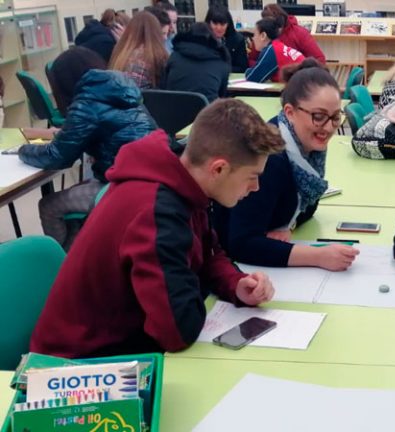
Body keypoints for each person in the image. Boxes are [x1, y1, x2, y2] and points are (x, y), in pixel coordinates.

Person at [30, 98, 283, 358]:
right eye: (252, 178)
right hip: (79, 368)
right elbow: (177, 331)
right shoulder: (157, 213)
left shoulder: (184, 181)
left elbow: (209, 254)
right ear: (218, 169)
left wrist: (236, 283)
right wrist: (198, 285)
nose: (256, 189)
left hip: (121, 343)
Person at [213, 59, 359, 270]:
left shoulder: (306, 148)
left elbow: (308, 205)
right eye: (318, 117)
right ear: (290, 112)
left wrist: (289, 224)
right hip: (231, 266)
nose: (328, 128)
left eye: (336, 117)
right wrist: (317, 256)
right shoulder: (270, 159)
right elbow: (241, 243)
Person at [18, 47, 157, 250]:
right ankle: (73, 259)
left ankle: (58, 265)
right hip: (150, 179)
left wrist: (21, 151)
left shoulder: (86, 103)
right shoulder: (120, 89)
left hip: (124, 185)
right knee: (74, 204)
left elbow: (57, 156)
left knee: (48, 206)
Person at [164, 22, 230, 102]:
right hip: (208, 111)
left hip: (173, 110)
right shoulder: (221, 62)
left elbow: (165, 85)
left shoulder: (175, 56)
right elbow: (222, 93)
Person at [109, 11, 168, 89]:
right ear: (156, 33)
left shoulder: (120, 53)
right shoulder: (155, 55)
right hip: (144, 98)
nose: (165, 38)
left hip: (118, 98)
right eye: (163, 34)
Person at [260, 4, 326, 63]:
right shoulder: (264, 34)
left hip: (298, 73)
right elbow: (253, 58)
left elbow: (319, 59)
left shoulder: (299, 33)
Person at [245, 18, 305, 83]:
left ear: (263, 36)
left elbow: (253, 77)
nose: (253, 38)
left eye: (254, 35)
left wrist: (248, 71)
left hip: (301, 85)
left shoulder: (272, 50)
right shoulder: (277, 46)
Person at [205, 4, 248, 73]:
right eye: (215, 24)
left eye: (222, 24)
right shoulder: (201, 38)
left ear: (228, 24)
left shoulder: (238, 39)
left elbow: (242, 67)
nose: (219, 28)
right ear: (209, 23)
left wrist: (220, 68)